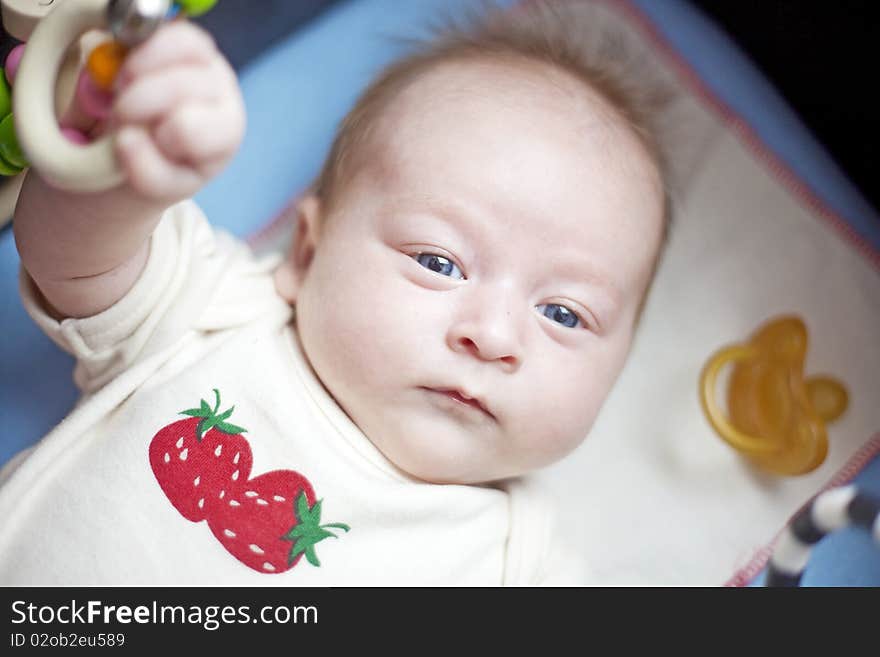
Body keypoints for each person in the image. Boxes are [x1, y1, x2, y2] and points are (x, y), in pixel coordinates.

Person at [0, 0, 672, 584]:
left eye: (563, 313)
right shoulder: (215, 312)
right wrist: (128, 173)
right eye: (438, 262)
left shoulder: (522, 566)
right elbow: (73, 258)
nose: (491, 336)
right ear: (308, 251)